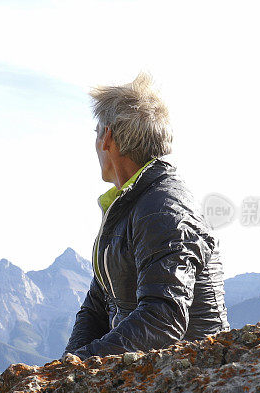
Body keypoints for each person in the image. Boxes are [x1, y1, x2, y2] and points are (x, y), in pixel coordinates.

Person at [63, 72, 229, 360]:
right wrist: (67, 365)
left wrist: (85, 362)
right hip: (148, 370)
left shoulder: (163, 209)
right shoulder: (131, 203)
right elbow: (98, 304)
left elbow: (163, 317)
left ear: (108, 138)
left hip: (193, 372)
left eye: (96, 133)